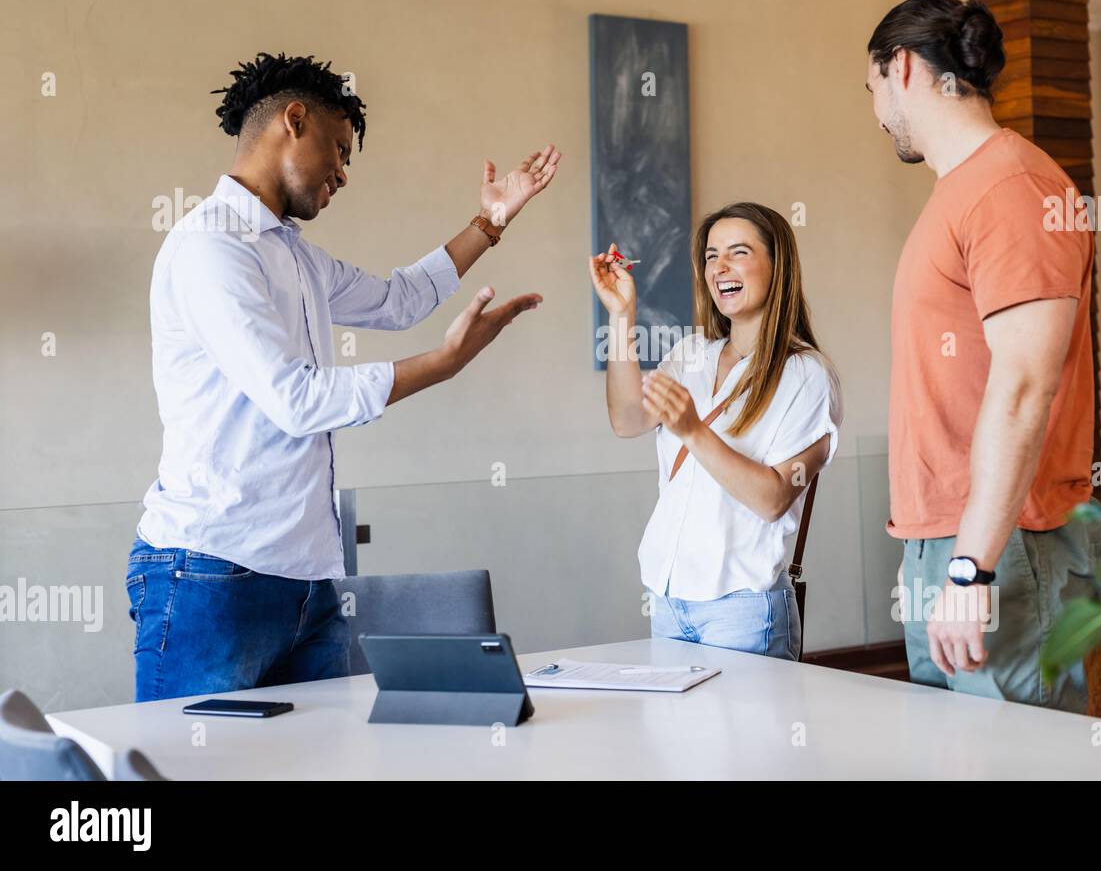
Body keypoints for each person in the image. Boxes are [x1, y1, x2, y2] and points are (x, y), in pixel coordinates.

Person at [128, 51, 561, 701]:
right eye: (340, 148)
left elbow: (399, 299)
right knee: (185, 772)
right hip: (209, 575)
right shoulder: (211, 247)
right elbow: (296, 400)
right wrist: (442, 363)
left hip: (307, 580)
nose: (343, 172)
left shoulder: (293, 255)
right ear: (293, 121)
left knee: (323, 766)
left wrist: (490, 221)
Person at [866, 0, 1101, 710]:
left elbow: (1023, 386)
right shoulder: (961, 192)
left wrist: (971, 569)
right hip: (945, 542)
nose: (878, 114)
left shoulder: (1013, 187)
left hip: (1004, 547)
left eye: (873, 89)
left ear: (903, 67)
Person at [590, 202, 842, 661]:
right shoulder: (691, 354)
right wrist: (622, 313)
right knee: (678, 736)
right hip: (668, 601)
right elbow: (627, 419)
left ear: (777, 266)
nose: (719, 267)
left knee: (745, 737)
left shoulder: (804, 373)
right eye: (710, 255)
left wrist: (692, 429)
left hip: (743, 610)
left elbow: (772, 499)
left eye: (738, 252)